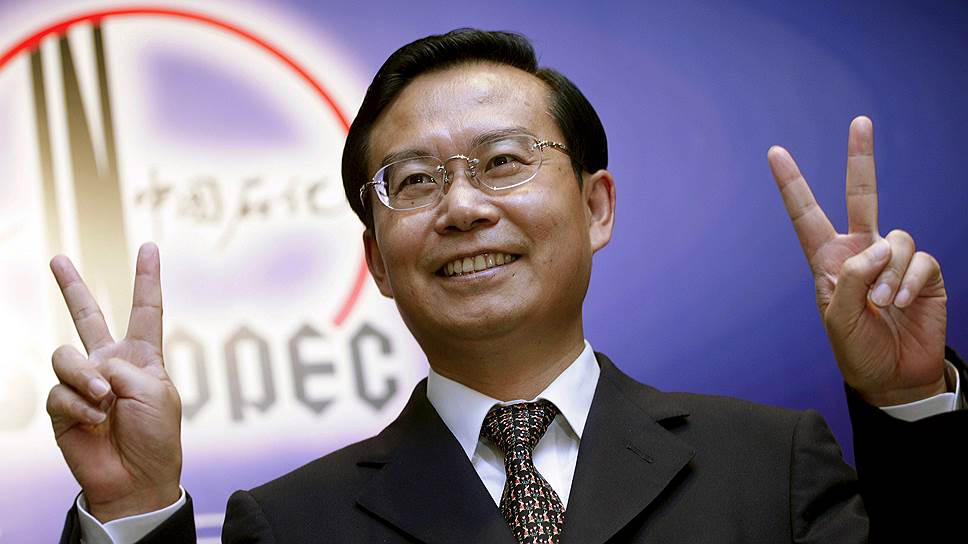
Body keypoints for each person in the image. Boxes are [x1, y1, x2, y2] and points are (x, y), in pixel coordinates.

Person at [50, 29, 964, 543]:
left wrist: (911, 405)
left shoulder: (770, 464)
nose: (461, 208)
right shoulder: (288, 525)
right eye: (413, 181)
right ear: (376, 261)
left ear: (597, 207)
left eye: (501, 161)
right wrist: (132, 511)